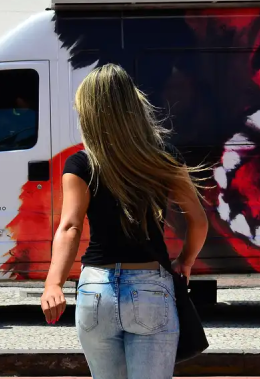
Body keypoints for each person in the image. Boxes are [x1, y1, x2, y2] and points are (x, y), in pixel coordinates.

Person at [40, 64, 208, 379]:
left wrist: (53, 283)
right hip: (150, 287)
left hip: (95, 290)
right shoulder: (163, 156)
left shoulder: (81, 164)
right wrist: (185, 261)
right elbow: (198, 221)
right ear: (133, 104)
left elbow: (70, 227)